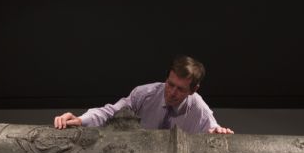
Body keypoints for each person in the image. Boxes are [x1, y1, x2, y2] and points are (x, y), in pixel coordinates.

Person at [54, 55, 234, 134]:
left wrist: (219, 133)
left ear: (193, 90)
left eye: (180, 89)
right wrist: (80, 120)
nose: (172, 92)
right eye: (170, 84)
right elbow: (110, 113)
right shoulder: (145, 94)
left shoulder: (199, 109)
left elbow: (213, 134)